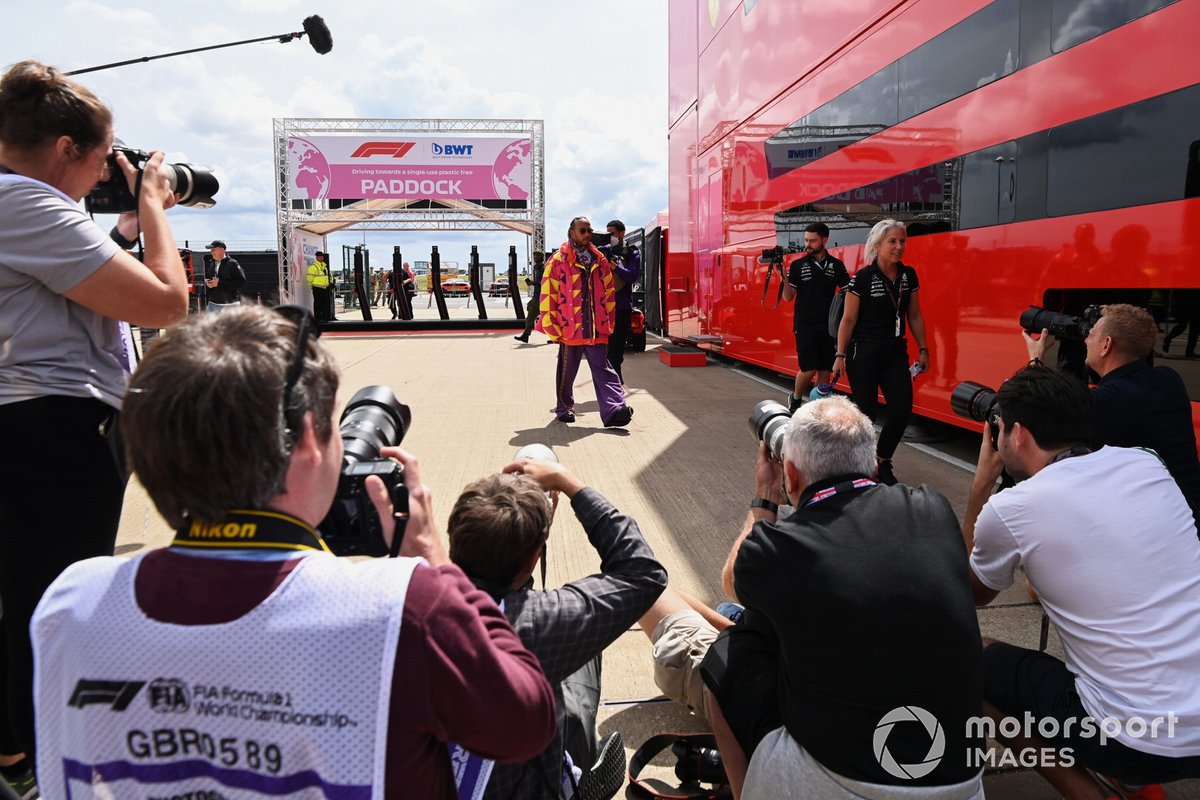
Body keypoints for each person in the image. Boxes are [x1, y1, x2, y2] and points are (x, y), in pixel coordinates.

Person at [30, 305, 556, 800]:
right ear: (308, 440)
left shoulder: (70, 604)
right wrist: (435, 563)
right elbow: (525, 723)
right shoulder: (404, 610)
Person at [0, 60, 188, 782]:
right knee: (52, 608)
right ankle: (44, 765)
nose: (113, 166)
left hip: (31, 426)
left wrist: (131, 225)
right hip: (50, 431)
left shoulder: (29, 205)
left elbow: (104, 284)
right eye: (107, 153)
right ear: (64, 151)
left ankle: (18, 750)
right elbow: (166, 304)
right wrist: (158, 209)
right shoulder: (27, 205)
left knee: (25, 594)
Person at [706, 396, 984, 799]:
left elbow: (732, 580)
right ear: (872, 466)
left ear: (792, 475)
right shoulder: (932, 508)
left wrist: (765, 497)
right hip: (961, 781)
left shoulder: (781, 549)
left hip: (844, 782)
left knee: (729, 652)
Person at [962, 366, 1200, 799]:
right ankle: (1129, 777)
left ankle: (1093, 791)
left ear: (1017, 433)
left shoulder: (1013, 507)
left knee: (965, 659)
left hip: (1137, 738)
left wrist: (981, 486)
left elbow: (966, 596)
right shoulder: (1145, 462)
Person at [447, 456, 667, 798]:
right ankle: (577, 770)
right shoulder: (537, 624)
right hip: (524, 787)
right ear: (535, 555)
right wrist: (570, 483)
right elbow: (643, 572)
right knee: (581, 652)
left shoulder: (413, 606)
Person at [1024, 303, 1200, 526]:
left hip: (1158, 527)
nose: (1086, 339)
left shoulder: (1103, 401)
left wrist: (1035, 360)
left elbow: (1034, 412)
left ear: (1106, 345)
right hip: (1189, 514)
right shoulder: (1169, 379)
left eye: (1092, 333)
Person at [833, 219, 930, 485]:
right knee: (867, 416)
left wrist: (923, 348)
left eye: (902, 241)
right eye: (893, 241)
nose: (899, 247)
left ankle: (882, 461)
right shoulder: (862, 279)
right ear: (877, 245)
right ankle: (857, 465)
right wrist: (840, 355)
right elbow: (848, 320)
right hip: (862, 353)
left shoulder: (908, 276)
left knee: (901, 411)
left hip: (895, 353)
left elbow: (915, 315)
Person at [537, 217, 633, 428]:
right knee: (567, 372)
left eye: (589, 230)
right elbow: (548, 294)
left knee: (604, 369)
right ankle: (564, 408)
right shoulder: (556, 262)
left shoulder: (600, 261)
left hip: (597, 328)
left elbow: (609, 295)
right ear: (572, 232)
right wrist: (551, 326)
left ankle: (615, 409)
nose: (588, 233)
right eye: (583, 230)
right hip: (569, 328)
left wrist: (608, 322)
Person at [781, 222, 850, 412]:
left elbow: (849, 292)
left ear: (824, 240)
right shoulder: (797, 265)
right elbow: (788, 297)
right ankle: (795, 398)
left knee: (824, 370)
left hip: (829, 326)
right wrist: (783, 278)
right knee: (809, 368)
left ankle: (816, 409)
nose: (808, 244)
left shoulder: (836, 265)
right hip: (805, 325)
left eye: (812, 240)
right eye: (806, 240)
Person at [604, 220, 642, 383]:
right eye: (608, 233)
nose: (610, 237)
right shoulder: (603, 251)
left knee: (616, 352)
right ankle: (611, 388)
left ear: (621, 233)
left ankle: (616, 386)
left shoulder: (631, 252)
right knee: (604, 352)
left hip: (621, 309)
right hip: (603, 308)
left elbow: (631, 276)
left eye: (612, 233)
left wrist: (614, 266)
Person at [203, 239, 245, 311]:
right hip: (212, 305)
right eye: (211, 250)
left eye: (213, 250)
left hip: (230, 306)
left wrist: (219, 283)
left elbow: (241, 282)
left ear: (222, 250)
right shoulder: (212, 264)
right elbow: (212, 280)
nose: (211, 252)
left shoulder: (233, 264)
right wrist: (208, 284)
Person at [514, 251, 546, 343]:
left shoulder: (543, 269)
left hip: (542, 296)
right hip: (537, 296)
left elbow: (545, 282)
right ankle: (525, 335)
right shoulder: (536, 268)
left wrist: (533, 283)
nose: (535, 257)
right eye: (534, 255)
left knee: (539, 316)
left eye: (537, 255)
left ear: (541, 257)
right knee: (531, 315)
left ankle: (526, 335)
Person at [306, 250, 333, 323]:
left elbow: (328, 276)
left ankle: (324, 317)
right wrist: (312, 286)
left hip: (325, 288)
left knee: (324, 303)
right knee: (318, 303)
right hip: (317, 288)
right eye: (319, 257)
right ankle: (317, 318)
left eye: (321, 257)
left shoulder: (325, 267)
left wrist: (330, 283)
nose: (321, 258)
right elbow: (309, 278)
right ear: (316, 257)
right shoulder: (313, 267)